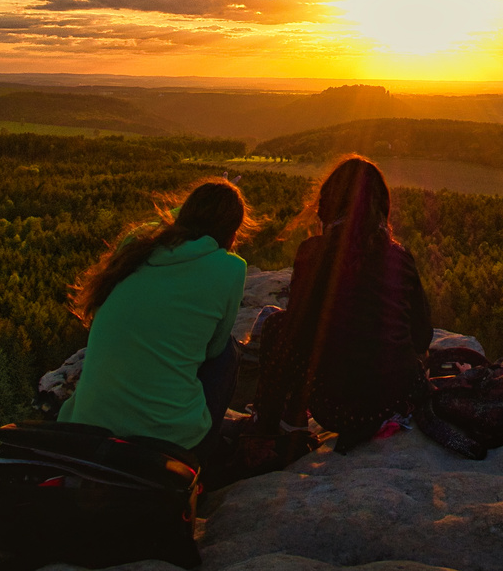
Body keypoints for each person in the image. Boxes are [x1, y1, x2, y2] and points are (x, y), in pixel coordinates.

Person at [59, 179, 252, 466]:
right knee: (228, 352)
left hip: (86, 426)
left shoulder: (136, 245)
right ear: (233, 232)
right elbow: (213, 351)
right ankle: (201, 451)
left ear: (182, 215)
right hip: (166, 443)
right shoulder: (232, 267)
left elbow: (153, 227)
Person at [253, 156, 433, 452]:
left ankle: (276, 426)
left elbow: (298, 330)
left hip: (337, 408)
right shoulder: (400, 257)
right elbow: (422, 334)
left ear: (328, 203)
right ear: (380, 206)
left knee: (276, 326)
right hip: (401, 399)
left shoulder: (313, 253)